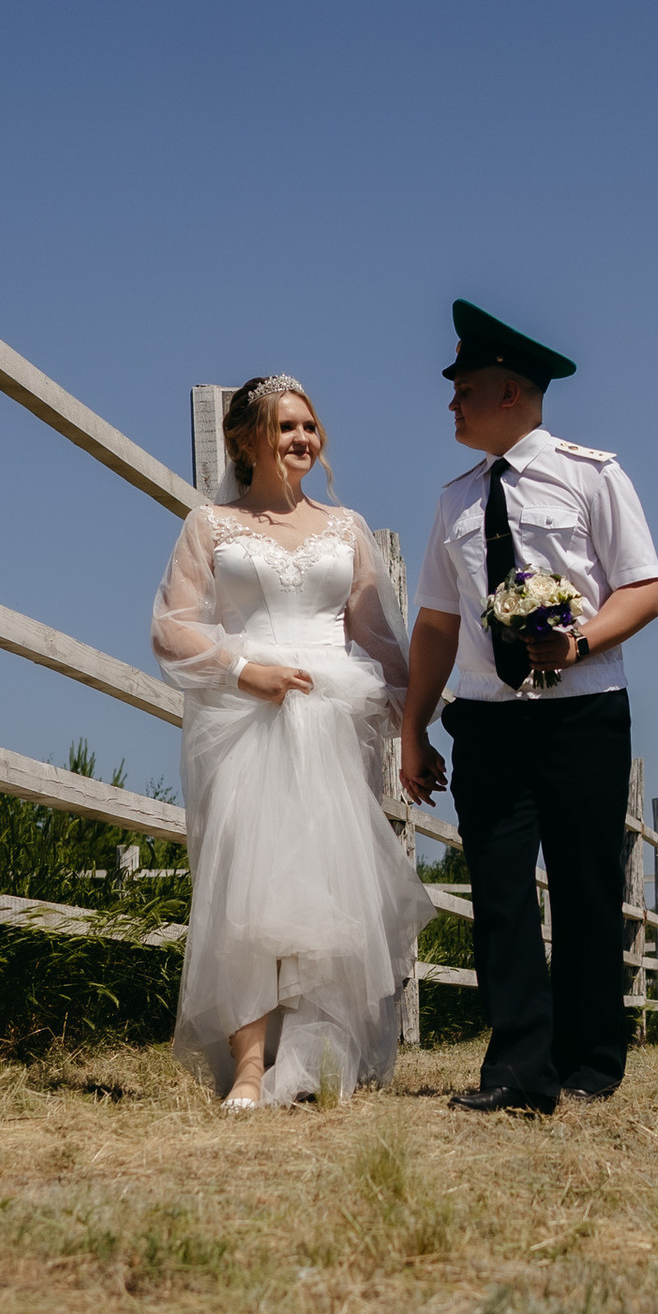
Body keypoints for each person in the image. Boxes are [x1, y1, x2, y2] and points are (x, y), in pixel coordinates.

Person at [401, 303, 658, 1113]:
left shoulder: (592, 476)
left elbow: (644, 589)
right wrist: (413, 727)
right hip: (487, 719)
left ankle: (590, 1065)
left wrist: (579, 642)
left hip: (583, 712)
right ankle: (518, 1071)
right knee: (501, 895)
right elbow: (437, 624)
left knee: (585, 886)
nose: (452, 404)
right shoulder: (454, 502)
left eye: (465, 390)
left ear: (509, 392)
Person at [151, 373, 429, 1109]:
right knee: (248, 890)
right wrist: (245, 671)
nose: (303, 438)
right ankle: (248, 1068)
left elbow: (380, 642)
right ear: (248, 441)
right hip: (246, 721)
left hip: (332, 722)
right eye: (285, 426)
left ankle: (315, 1057)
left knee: (325, 891)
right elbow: (172, 627)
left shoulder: (347, 528)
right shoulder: (210, 525)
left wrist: (412, 729)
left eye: (308, 425)